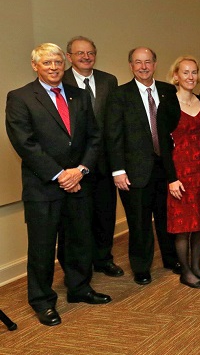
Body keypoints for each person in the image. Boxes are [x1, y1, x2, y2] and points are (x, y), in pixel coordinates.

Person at [6, 43, 111, 326]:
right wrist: (60, 174)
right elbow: (25, 143)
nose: (53, 68)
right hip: (44, 187)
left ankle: (79, 288)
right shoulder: (20, 97)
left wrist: (80, 170)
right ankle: (42, 301)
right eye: (46, 63)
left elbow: (94, 137)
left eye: (56, 62)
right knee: (42, 247)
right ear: (34, 65)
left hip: (79, 183)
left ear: (63, 63)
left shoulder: (79, 95)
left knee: (79, 241)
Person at [105, 47, 179, 285]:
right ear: (131, 66)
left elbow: (173, 128)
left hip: (164, 167)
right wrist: (117, 170)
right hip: (134, 170)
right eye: (138, 62)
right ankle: (141, 267)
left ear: (155, 64)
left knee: (166, 216)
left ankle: (170, 259)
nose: (143, 66)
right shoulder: (119, 95)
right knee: (139, 222)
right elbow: (113, 135)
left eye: (148, 62)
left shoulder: (168, 91)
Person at [61, 36, 123, 277]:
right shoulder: (61, 81)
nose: (86, 57)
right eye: (80, 53)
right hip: (75, 165)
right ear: (69, 57)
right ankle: (77, 268)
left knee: (105, 214)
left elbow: (114, 122)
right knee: (76, 220)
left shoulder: (109, 80)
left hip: (105, 162)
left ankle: (103, 258)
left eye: (90, 53)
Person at [157, 56, 200, 288]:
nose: (190, 77)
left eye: (194, 72)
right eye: (185, 72)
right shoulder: (168, 104)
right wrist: (172, 179)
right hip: (180, 171)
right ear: (176, 76)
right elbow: (162, 144)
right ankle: (186, 272)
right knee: (182, 226)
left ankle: (197, 268)